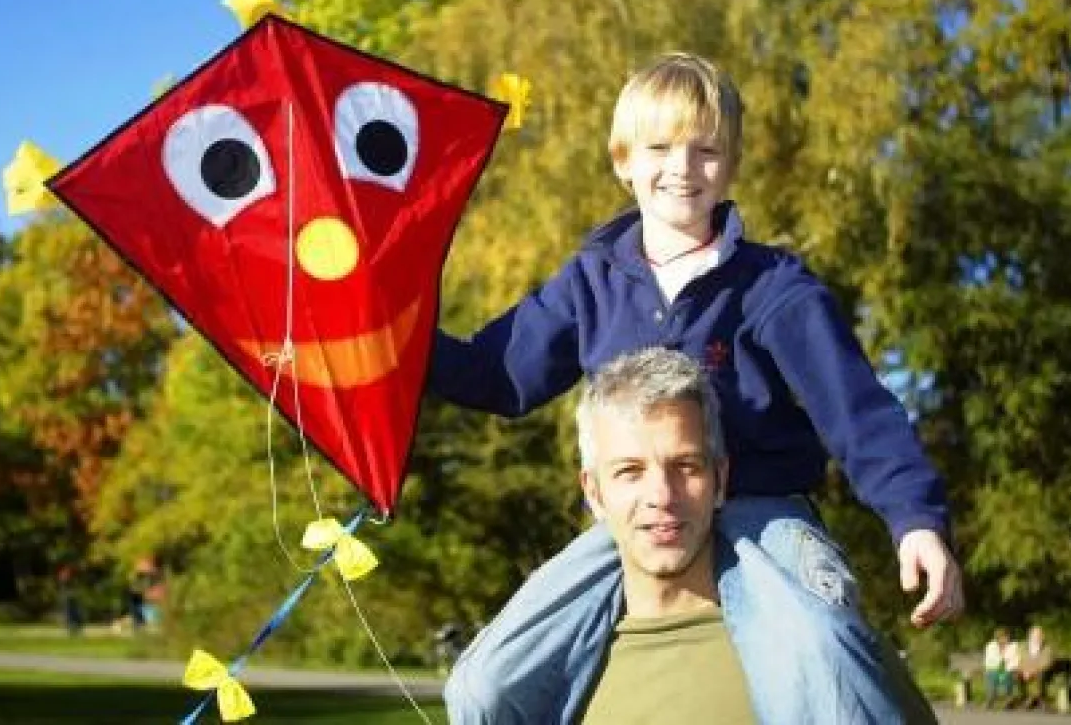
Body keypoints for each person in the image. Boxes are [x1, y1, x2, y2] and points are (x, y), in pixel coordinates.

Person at [431, 51, 964, 724]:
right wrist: (396, 345)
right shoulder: (591, 282)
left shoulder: (772, 286)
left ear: (731, 163)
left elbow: (858, 412)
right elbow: (498, 374)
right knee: (484, 683)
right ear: (624, 160)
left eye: (704, 149)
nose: (681, 167)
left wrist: (915, 519)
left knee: (825, 661)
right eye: (659, 147)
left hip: (762, 510)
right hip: (636, 521)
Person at [572, 348, 936, 723]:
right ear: (594, 493)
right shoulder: (552, 683)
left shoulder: (833, 662)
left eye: (686, 466)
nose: (662, 495)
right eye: (630, 472)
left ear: (720, 480)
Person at [1018, 625, 1054, 709]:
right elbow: (1019, 660)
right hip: (1024, 670)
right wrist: (1024, 670)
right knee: (1014, 675)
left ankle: (1034, 699)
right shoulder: (1022, 646)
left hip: (1039, 671)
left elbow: (1047, 662)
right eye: (1035, 635)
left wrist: (1033, 670)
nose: (1037, 638)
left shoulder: (1047, 648)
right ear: (1030, 636)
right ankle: (1022, 698)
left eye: (1039, 635)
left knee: (1040, 675)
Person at [983, 627, 1019, 707]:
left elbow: (1015, 661)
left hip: (1009, 670)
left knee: (1008, 675)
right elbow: (989, 661)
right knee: (991, 675)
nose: (1004, 639)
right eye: (1002, 637)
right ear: (997, 638)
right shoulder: (991, 646)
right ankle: (990, 698)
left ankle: (1008, 699)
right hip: (994, 670)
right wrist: (1003, 660)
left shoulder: (1014, 646)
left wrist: (1006, 667)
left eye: (1006, 637)